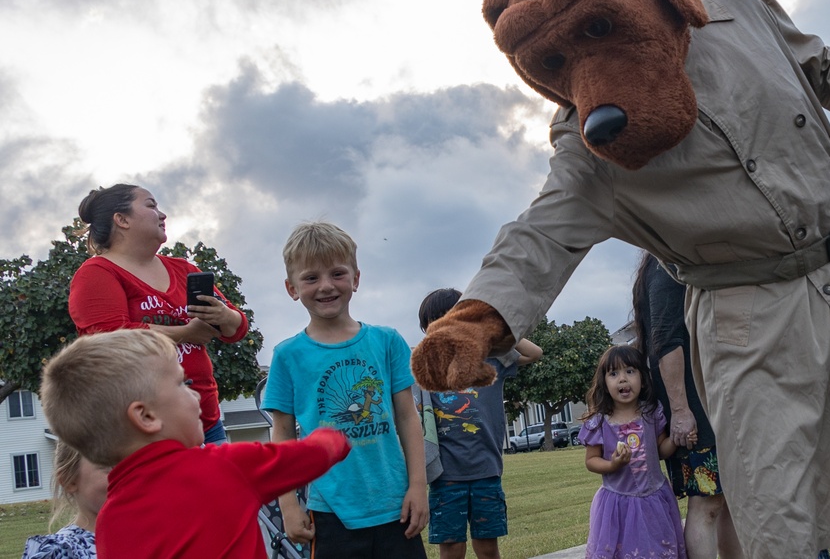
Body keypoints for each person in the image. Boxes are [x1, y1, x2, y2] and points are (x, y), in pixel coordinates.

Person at [39, 329, 351, 558]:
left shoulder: (108, 522)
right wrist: (334, 435)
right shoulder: (223, 466)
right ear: (146, 416)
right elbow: (312, 455)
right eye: (182, 383)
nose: (195, 393)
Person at [262, 221, 429, 559]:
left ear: (355, 278)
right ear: (291, 288)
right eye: (311, 278)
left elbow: (408, 418)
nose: (326, 286)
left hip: (396, 506)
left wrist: (418, 486)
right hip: (330, 512)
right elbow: (281, 434)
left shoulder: (387, 342)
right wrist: (289, 504)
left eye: (337, 274)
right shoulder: (287, 356)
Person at [68, 184, 249, 444]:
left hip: (206, 424)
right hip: (143, 434)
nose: (162, 215)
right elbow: (106, 338)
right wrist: (185, 333)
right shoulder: (97, 273)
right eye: (151, 206)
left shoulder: (184, 268)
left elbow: (238, 327)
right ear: (122, 219)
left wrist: (223, 316)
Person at [417, 288, 543, 559]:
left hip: (486, 469)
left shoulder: (491, 359)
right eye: (436, 323)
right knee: (451, 550)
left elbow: (535, 353)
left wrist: (495, 321)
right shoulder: (425, 368)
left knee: (487, 549)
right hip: (445, 475)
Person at [631, 253, 742, 559]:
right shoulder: (665, 261)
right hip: (693, 404)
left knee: (728, 501)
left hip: (712, 401)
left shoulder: (676, 257)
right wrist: (680, 410)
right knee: (707, 503)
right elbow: (666, 340)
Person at [579, 344, 690, 559]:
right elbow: (591, 461)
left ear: (642, 377)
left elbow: (660, 450)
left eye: (630, 371)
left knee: (658, 550)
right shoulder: (599, 422)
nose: (623, 379)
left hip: (654, 499)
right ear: (604, 382)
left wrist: (676, 438)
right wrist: (612, 465)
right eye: (614, 373)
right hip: (618, 506)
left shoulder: (651, 412)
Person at [21, 442, 108, 559]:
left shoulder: (137, 539)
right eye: (108, 466)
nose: (126, 474)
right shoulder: (61, 553)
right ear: (70, 481)